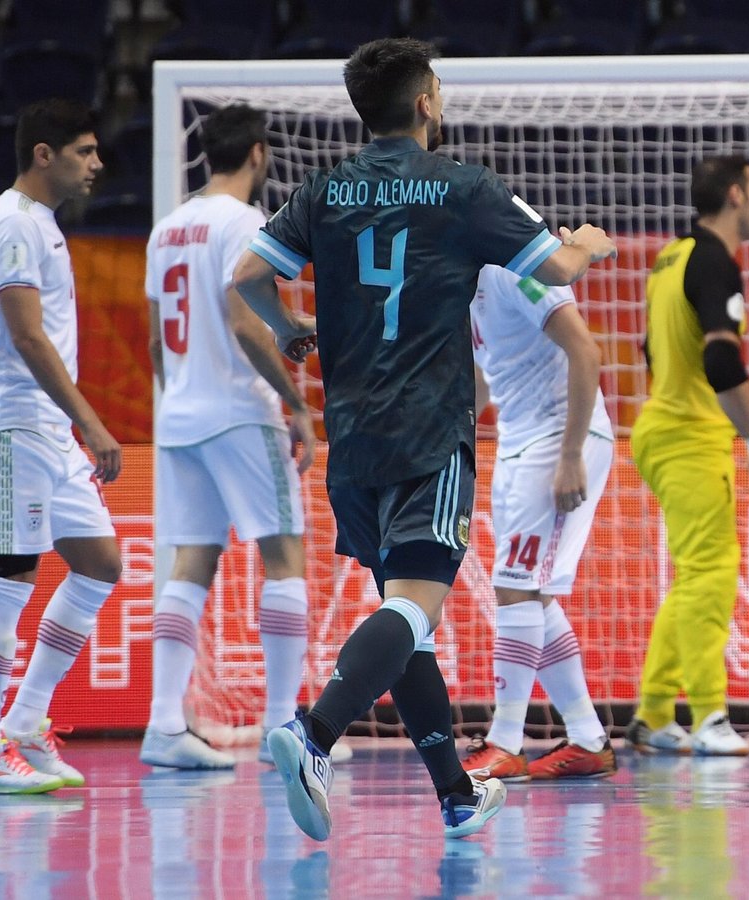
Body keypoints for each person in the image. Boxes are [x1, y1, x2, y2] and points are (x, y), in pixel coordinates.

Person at [232, 38, 616, 841]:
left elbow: (246, 278)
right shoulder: (463, 189)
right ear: (426, 105)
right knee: (412, 608)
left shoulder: (324, 187)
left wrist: (289, 327)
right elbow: (562, 271)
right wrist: (589, 241)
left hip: (354, 433)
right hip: (430, 430)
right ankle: (312, 734)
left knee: (404, 616)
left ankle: (455, 793)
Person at [139, 103, 335, 771]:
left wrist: (181, 397)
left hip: (180, 414)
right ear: (258, 153)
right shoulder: (245, 221)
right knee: (283, 559)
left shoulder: (166, 228)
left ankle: (164, 724)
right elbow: (247, 325)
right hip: (238, 411)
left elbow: (157, 340)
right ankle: (284, 724)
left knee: (190, 562)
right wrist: (297, 405)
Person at [0, 98, 119, 794]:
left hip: (45, 429)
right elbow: (26, 338)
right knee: (10, 574)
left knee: (100, 564)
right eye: (85, 151)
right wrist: (92, 419)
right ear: (44, 154)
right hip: (9, 421)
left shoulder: (43, 225)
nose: (98, 164)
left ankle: (27, 719)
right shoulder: (14, 225)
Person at [625, 155, 749, 758]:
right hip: (689, 434)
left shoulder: (669, 258)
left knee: (691, 575)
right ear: (736, 195)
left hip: (658, 427)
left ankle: (655, 713)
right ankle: (710, 715)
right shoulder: (714, 260)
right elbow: (721, 361)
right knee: (711, 573)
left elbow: (649, 351)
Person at [458, 265, 617, 781]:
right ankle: (588, 737)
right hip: (519, 438)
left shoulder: (515, 260)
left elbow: (586, 350)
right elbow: (486, 372)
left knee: (515, 587)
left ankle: (506, 741)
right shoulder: (459, 266)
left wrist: (571, 455)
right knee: (530, 593)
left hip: (558, 435)